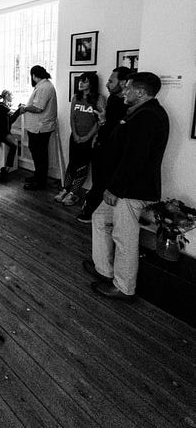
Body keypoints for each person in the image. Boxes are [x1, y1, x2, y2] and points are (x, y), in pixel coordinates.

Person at [84, 72, 169, 300]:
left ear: (140, 92)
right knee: (100, 218)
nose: (124, 91)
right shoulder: (140, 112)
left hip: (131, 189)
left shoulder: (148, 116)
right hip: (123, 186)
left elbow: (135, 159)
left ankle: (124, 287)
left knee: (125, 238)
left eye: (128, 88)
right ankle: (104, 269)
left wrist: (115, 189)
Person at [76, 66, 132, 223]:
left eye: (111, 81)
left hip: (114, 150)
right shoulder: (113, 99)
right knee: (98, 179)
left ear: (123, 83)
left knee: (104, 181)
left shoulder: (129, 105)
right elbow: (107, 123)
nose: (107, 84)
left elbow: (120, 130)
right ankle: (94, 210)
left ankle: (97, 212)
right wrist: (99, 130)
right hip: (101, 146)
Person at [55, 72, 106, 206]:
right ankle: (65, 189)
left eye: (85, 81)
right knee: (72, 164)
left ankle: (73, 193)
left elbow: (99, 121)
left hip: (89, 139)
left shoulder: (99, 98)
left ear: (92, 84)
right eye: (80, 81)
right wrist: (75, 135)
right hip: (75, 137)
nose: (81, 83)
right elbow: (72, 117)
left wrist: (87, 137)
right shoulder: (76, 97)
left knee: (82, 167)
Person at [20, 66, 57, 190]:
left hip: (40, 128)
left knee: (40, 155)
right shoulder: (44, 85)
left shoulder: (44, 87)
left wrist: (25, 108)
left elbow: (38, 108)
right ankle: (38, 176)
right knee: (38, 153)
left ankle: (40, 182)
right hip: (38, 127)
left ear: (34, 75)